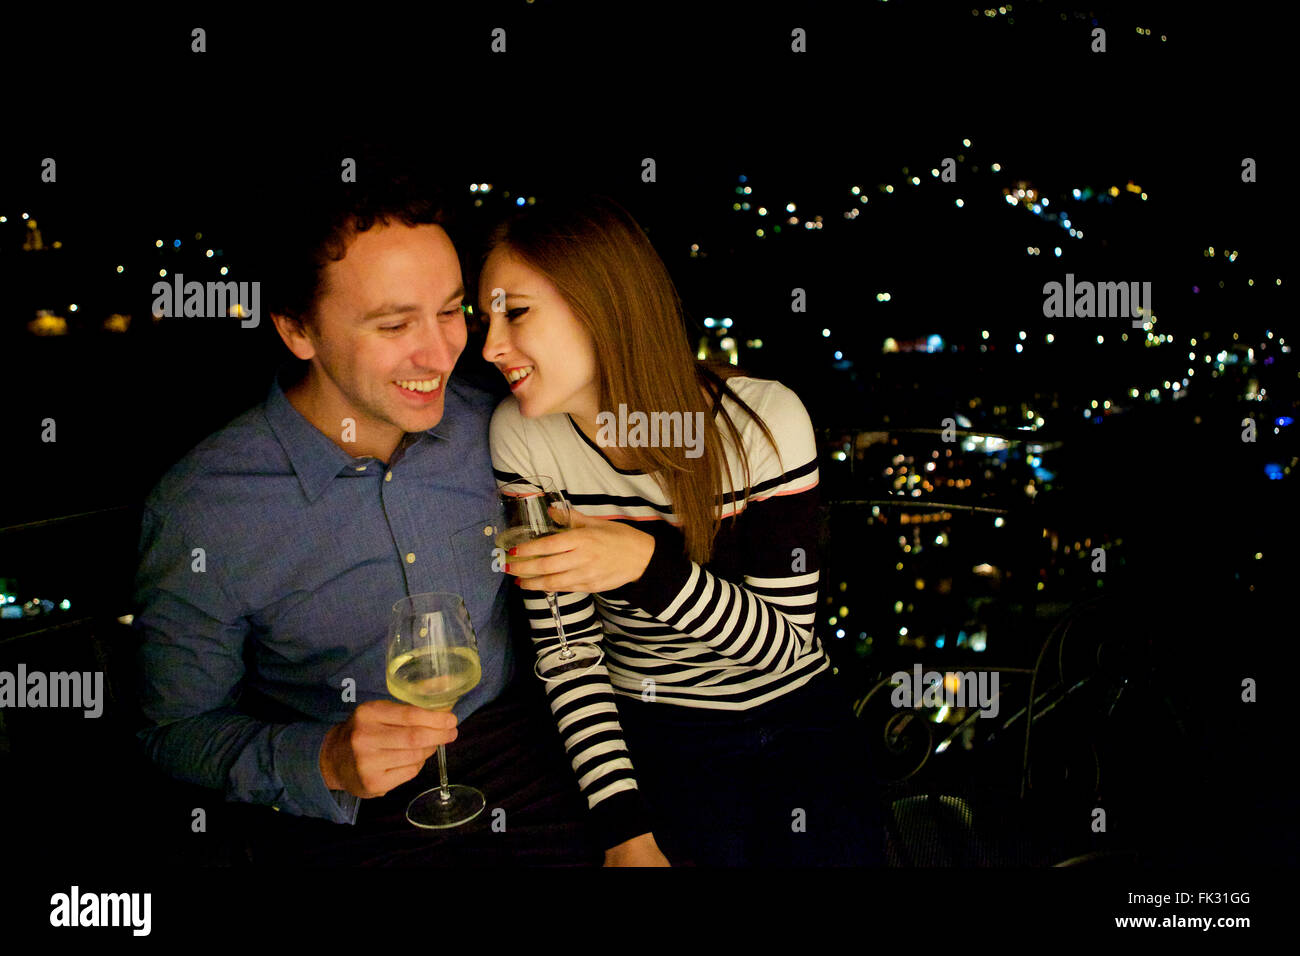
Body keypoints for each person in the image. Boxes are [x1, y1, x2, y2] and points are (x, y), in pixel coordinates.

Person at [131, 168, 603, 866]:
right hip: (347, 820)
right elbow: (175, 730)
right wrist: (319, 760)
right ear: (297, 330)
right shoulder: (206, 506)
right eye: (394, 324)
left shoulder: (497, 427)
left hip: (530, 770)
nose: (441, 353)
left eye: (449, 311)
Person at [478, 194, 886, 866]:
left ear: (603, 305)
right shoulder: (522, 438)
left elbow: (784, 648)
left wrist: (645, 565)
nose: (491, 346)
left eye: (516, 312)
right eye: (486, 316)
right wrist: (624, 830)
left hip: (795, 719)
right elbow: (570, 656)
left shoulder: (763, 423)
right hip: (654, 729)